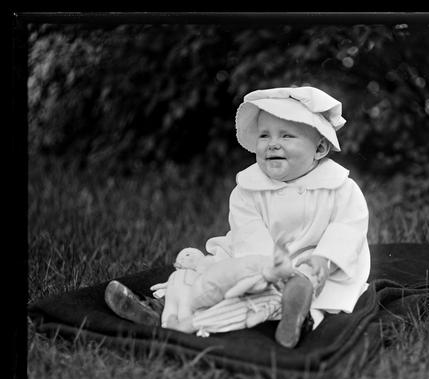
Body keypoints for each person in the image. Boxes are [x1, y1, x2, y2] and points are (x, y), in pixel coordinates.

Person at [105, 86, 371, 348]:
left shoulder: (339, 187)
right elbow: (249, 234)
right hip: (253, 259)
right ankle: (160, 309)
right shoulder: (248, 188)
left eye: (287, 136)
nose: (273, 143)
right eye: (264, 135)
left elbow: (349, 227)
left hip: (314, 261)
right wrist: (266, 271)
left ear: (320, 148)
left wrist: (325, 259)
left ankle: (297, 314)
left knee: (307, 289)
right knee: (208, 277)